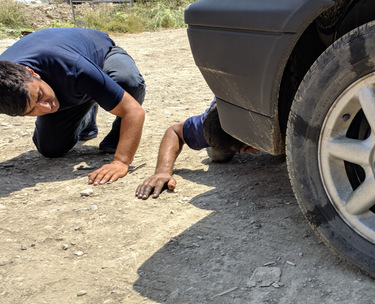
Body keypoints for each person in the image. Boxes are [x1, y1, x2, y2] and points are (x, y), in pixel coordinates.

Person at [0, 28, 146, 186]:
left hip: (101, 54)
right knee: (51, 148)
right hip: (68, 79)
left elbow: (134, 111)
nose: (46, 108)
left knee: (128, 82)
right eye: (31, 110)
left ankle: (116, 133)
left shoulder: (72, 67)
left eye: (40, 96)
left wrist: (120, 162)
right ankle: (87, 115)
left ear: (32, 73)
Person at [135, 100, 257, 200]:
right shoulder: (205, 124)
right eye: (247, 148)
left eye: (252, 143)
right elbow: (174, 132)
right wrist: (162, 171)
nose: (255, 148)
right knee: (218, 155)